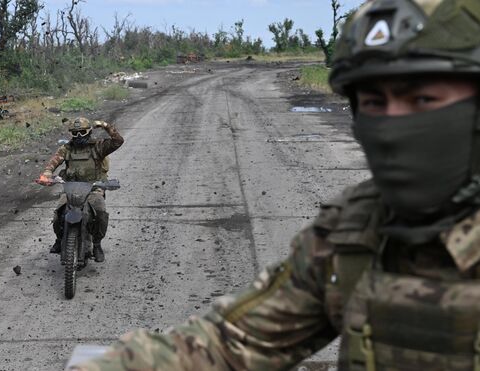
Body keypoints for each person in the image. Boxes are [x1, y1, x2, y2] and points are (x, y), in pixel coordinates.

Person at [71, 0, 480, 370]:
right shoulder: (358, 232)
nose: (391, 127)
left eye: (423, 100)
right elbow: (232, 343)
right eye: (373, 102)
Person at [38, 117, 124, 262]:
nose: (78, 136)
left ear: (89, 132)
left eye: (82, 132)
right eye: (75, 133)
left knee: (101, 213)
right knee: (58, 214)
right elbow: (55, 160)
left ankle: (97, 244)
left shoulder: (98, 146)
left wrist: (106, 126)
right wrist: (47, 173)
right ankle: (60, 239)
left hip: (94, 187)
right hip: (71, 187)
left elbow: (118, 141)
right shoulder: (67, 148)